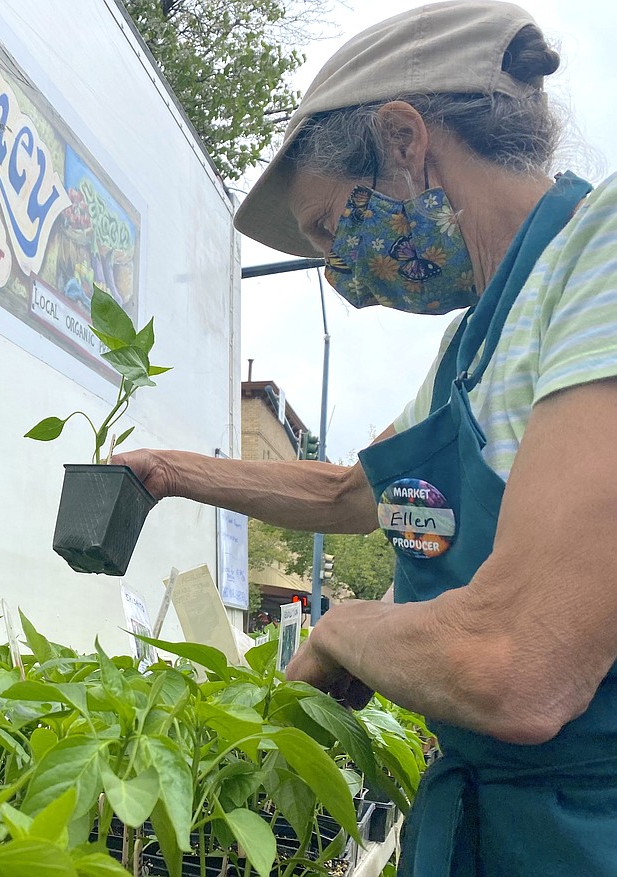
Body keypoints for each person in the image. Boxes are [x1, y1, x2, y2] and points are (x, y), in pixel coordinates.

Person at [116, 2, 617, 873]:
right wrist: (170, 470)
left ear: (403, 139)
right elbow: (351, 494)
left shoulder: (599, 251)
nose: (336, 265)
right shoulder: (472, 345)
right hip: (496, 818)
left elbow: (518, 660)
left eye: (328, 225)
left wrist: (346, 627)